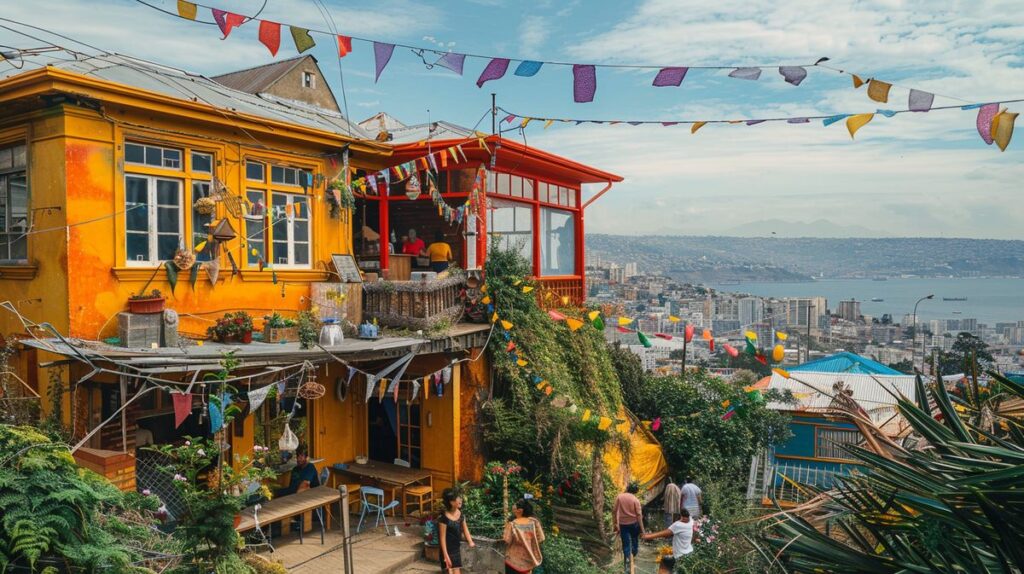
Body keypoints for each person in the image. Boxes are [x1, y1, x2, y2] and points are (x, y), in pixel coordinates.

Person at [642, 509, 694, 574]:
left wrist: (647, 536)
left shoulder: (678, 525)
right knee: (667, 564)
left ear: (681, 516)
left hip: (680, 556)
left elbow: (665, 533)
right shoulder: (691, 522)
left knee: (664, 564)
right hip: (689, 553)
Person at [503, 498, 545, 574]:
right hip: (528, 562)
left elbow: (506, 540)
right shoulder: (534, 522)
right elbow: (541, 539)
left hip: (512, 562)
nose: (513, 505)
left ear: (520, 510)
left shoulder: (512, 524)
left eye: (515, 504)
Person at [438, 488, 475, 573]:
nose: (461, 500)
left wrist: (470, 541)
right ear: (451, 502)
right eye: (458, 498)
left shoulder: (461, 515)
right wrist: (445, 555)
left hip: (456, 549)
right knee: (449, 571)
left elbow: (466, 529)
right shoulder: (443, 518)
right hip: (446, 550)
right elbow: (442, 539)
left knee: (457, 571)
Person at [613, 482, 645, 574]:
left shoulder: (619, 497)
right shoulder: (636, 500)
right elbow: (639, 515)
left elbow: (614, 511)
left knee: (626, 544)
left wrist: (615, 524)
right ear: (635, 491)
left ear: (628, 488)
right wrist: (643, 530)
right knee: (635, 540)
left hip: (623, 525)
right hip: (634, 524)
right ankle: (633, 554)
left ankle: (627, 561)